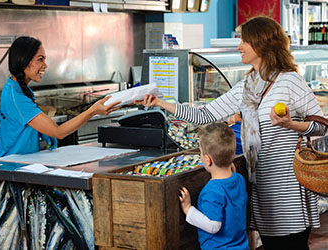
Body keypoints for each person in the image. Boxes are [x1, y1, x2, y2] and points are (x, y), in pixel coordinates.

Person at [135, 16, 326, 250]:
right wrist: (161, 103)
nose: (239, 46)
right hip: (262, 186)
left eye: (244, 41)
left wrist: (291, 125)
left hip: (286, 189)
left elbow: (322, 125)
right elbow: (204, 115)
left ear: (262, 43)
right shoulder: (247, 87)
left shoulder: (290, 81)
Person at [0, 36, 120, 159]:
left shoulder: (19, 89)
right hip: (12, 168)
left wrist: (42, 132)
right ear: (24, 61)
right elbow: (58, 132)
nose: (45, 65)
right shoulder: (16, 97)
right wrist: (92, 111)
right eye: (40, 59)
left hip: (23, 164)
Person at [179, 122, 249, 250]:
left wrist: (188, 209)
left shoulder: (212, 191)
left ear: (208, 159)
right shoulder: (239, 179)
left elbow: (213, 226)